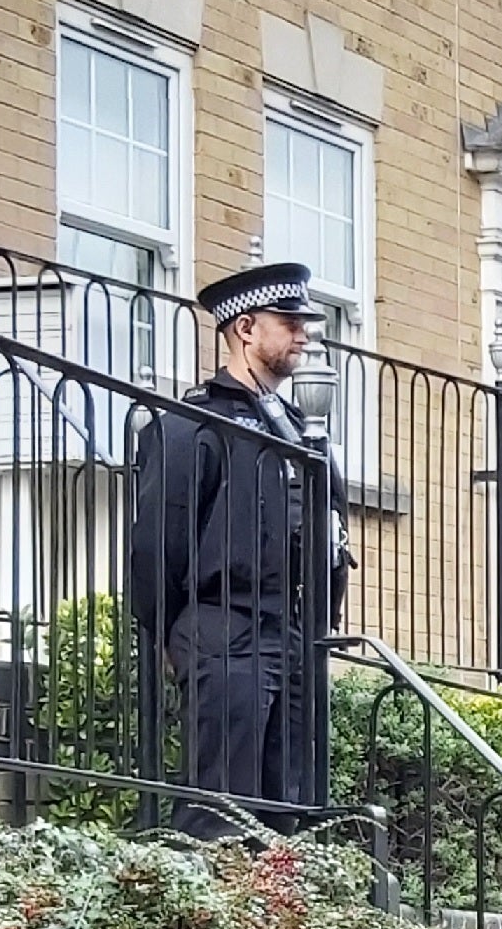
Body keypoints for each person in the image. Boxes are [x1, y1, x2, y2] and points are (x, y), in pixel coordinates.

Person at [125, 261, 350, 836]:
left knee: (289, 806)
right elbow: (157, 544)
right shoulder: (193, 424)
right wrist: (171, 633)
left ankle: (276, 917)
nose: (304, 333)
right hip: (225, 625)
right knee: (220, 807)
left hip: (294, 629)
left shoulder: (301, 430)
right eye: (289, 321)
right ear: (245, 328)